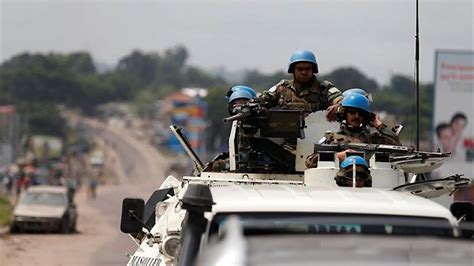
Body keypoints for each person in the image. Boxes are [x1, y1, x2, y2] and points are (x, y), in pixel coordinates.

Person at [306, 93, 401, 167]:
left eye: (361, 114)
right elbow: (310, 162)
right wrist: (338, 156)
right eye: (352, 112)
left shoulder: (372, 139)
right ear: (344, 114)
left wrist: (379, 125)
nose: (356, 116)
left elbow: (396, 146)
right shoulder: (331, 138)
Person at [257, 49, 343, 120]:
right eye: (300, 69)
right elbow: (262, 100)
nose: (304, 72)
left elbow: (341, 100)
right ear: (293, 70)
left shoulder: (324, 88)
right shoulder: (282, 88)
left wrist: (338, 106)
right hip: (285, 135)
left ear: (313, 70)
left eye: (308, 69)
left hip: (316, 136)